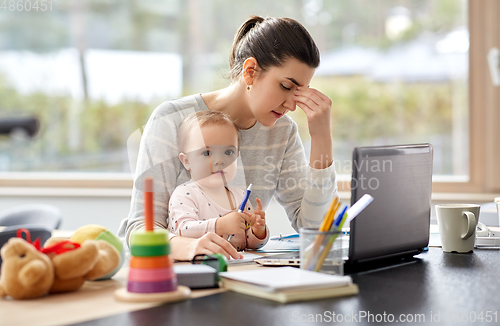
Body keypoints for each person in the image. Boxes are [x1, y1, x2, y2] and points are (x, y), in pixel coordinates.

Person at [118, 15, 337, 261]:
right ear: (250, 72)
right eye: (286, 86)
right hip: (181, 277)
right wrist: (190, 247)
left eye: (299, 93)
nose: (292, 105)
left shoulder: (282, 132)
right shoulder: (172, 119)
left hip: (243, 277)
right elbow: (140, 229)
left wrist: (321, 139)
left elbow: (317, 230)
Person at [169, 111, 269, 251]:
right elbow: (182, 230)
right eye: (207, 153)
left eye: (228, 152)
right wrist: (219, 225)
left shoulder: (240, 197)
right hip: (199, 267)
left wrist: (257, 231)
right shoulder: (185, 194)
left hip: (237, 268)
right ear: (186, 161)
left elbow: (250, 244)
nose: (220, 161)